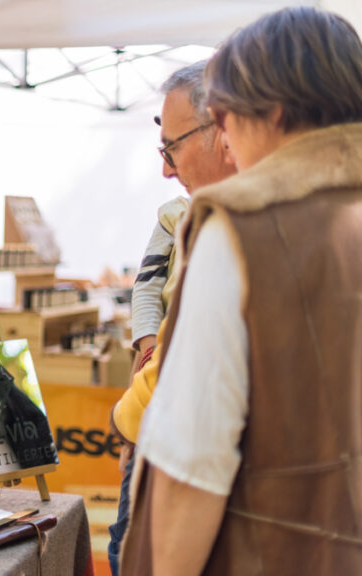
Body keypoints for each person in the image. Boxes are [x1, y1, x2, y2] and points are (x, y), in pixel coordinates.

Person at [121, 7, 362, 574]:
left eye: (224, 114)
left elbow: (190, 469)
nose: (224, 137)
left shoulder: (241, 230)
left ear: (271, 111)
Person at [106, 61, 236, 576]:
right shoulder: (178, 215)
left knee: (136, 544)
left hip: (180, 435)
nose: (165, 167)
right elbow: (148, 287)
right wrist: (144, 347)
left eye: (171, 148)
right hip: (165, 408)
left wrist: (130, 415)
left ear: (225, 129)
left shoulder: (235, 227)